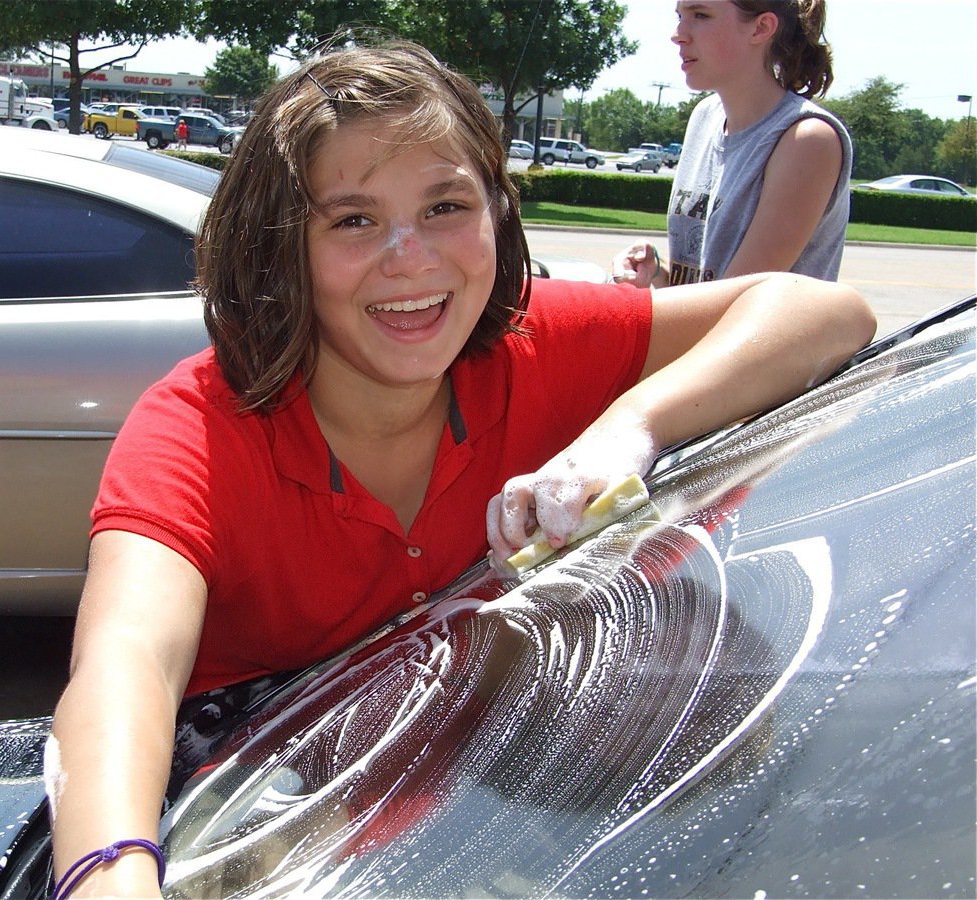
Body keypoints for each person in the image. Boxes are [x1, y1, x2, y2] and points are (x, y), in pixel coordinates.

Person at [47, 40, 874, 898]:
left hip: (456, 842)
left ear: (496, 216)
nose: (412, 257)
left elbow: (822, 310)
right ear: (277, 248)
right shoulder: (199, 430)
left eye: (446, 205)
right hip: (249, 838)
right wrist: (111, 875)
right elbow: (125, 668)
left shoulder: (531, 343)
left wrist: (625, 430)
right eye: (353, 219)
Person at [612, 0, 852, 287]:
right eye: (680, 16)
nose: (678, 34)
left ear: (761, 28)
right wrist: (655, 275)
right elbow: (700, 293)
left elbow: (734, 302)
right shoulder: (705, 117)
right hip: (702, 330)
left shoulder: (807, 139)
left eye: (700, 15)